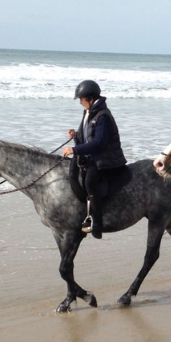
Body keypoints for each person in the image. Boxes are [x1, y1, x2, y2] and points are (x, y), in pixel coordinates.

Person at [62, 80, 126, 239]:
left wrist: (74, 150)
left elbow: (99, 143)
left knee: (90, 181)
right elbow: (86, 139)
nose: (80, 102)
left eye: (81, 99)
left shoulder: (103, 115)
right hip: (94, 156)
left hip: (107, 158)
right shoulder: (88, 113)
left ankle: (96, 223)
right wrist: (75, 137)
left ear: (89, 98)